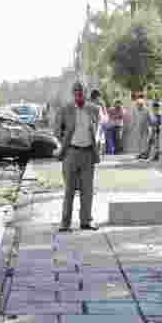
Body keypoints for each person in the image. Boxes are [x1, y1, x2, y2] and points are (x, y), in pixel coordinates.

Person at [57, 82, 101, 232]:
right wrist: (64, 143)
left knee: (87, 190)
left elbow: (97, 130)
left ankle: (86, 222)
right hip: (71, 153)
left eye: (81, 91)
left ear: (85, 92)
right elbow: (57, 129)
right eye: (75, 91)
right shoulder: (66, 109)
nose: (78, 93)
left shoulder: (93, 109)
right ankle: (65, 223)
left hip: (88, 153)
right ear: (72, 93)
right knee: (69, 190)